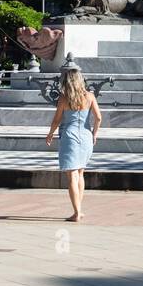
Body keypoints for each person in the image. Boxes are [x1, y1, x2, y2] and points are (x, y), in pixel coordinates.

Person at [45, 58, 102, 223]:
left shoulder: (64, 98)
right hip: (85, 136)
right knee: (80, 173)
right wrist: (94, 134)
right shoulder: (90, 96)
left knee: (72, 176)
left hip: (69, 137)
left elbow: (57, 120)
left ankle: (76, 212)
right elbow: (98, 118)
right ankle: (79, 209)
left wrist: (50, 134)